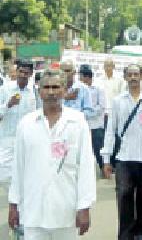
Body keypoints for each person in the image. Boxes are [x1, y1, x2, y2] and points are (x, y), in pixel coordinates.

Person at [8, 68, 96, 240]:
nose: (51, 92)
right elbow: (18, 168)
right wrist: (13, 204)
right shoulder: (26, 124)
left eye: (56, 87)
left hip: (66, 211)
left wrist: (84, 206)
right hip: (34, 211)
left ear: (64, 90)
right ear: (39, 91)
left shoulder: (77, 122)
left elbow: (86, 166)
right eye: (46, 87)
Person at [101, 64, 142, 240]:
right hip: (124, 158)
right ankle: (125, 235)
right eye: (130, 74)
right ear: (125, 77)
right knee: (124, 195)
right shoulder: (118, 101)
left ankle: (140, 232)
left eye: (137, 74)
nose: (134, 77)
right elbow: (110, 130)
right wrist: (106, 159)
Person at [0, 60, 36, 240]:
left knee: (26, 178)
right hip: (7, 141)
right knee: (5, 176)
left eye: (26, 72)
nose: (23, 75)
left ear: (30, 74)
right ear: (17, 72)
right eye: (20, 71)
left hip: (28, 142)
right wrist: (8, 104)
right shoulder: (5, 89)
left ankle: (22, 218)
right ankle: (16, 205)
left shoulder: (33, 92)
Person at [80, 64, 105, 174]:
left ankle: (104, 169)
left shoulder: (99, 88)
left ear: (87, 77)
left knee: (98, 149)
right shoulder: (79, 89)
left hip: (96, 125)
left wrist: (87, 113)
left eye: (81, 76)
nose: (79, 79)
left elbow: (101, 106)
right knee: (85, 150)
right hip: (83, 125)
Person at [99, 59, 125, 130]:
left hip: (115, 112)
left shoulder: (120, 80)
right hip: (103, 114)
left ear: (113, 67)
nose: (108, 68)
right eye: (106, 66)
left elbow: (122, 96)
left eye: (110, 66)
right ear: (103, 67)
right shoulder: (99, 80)